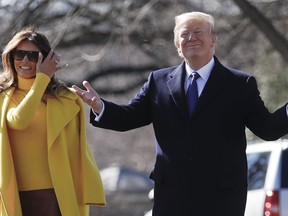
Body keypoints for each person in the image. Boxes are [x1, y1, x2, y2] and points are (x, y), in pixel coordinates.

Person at [72, 11, 288, 216]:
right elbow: (130, 116)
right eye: (184, 34)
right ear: (177, 44)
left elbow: (267, 128)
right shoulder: (158, 81)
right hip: (172, 195)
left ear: (213, 39)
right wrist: (100, 106)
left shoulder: (240, 84)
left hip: (221, 196)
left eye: (198, 32)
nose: (191, 38)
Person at [0, 26, 106, 216]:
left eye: (33, 56)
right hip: (11, 194)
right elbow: (18, 121)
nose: (25, 60)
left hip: (57, 194)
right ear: (10, 57)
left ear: (46, 60)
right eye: (19, 54)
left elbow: (77, 151)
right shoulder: (2, 96)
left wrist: (41, 81)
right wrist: (41, 81)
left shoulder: (66, 99)